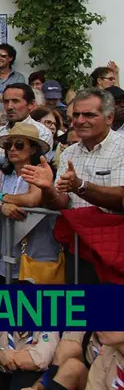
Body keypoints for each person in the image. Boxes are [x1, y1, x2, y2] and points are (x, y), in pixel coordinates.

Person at [21, 88, 124, 284]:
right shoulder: (69, 154)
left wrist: (80, 186)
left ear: (109, 118)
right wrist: (48, 188)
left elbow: (120, 197)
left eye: (89, 114)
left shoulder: (122, 149)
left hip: (114, 248)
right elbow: (62, 202)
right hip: (79, 248)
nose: (80, 120)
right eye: (76, 114)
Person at [0, 124, 61, 282]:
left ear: (33, 149)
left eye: (19, 145)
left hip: (38, 251)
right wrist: (2, 207)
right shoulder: (5, 173)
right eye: (8, 145)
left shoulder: (39, 171)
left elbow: (32, 199)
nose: (12, 149)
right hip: (9, 250)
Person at [0, 83, 53, 173]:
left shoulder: (42, 132)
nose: (9, 107)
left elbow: (28, 168)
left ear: (31, 104)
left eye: (15, 101)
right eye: (6, 101)